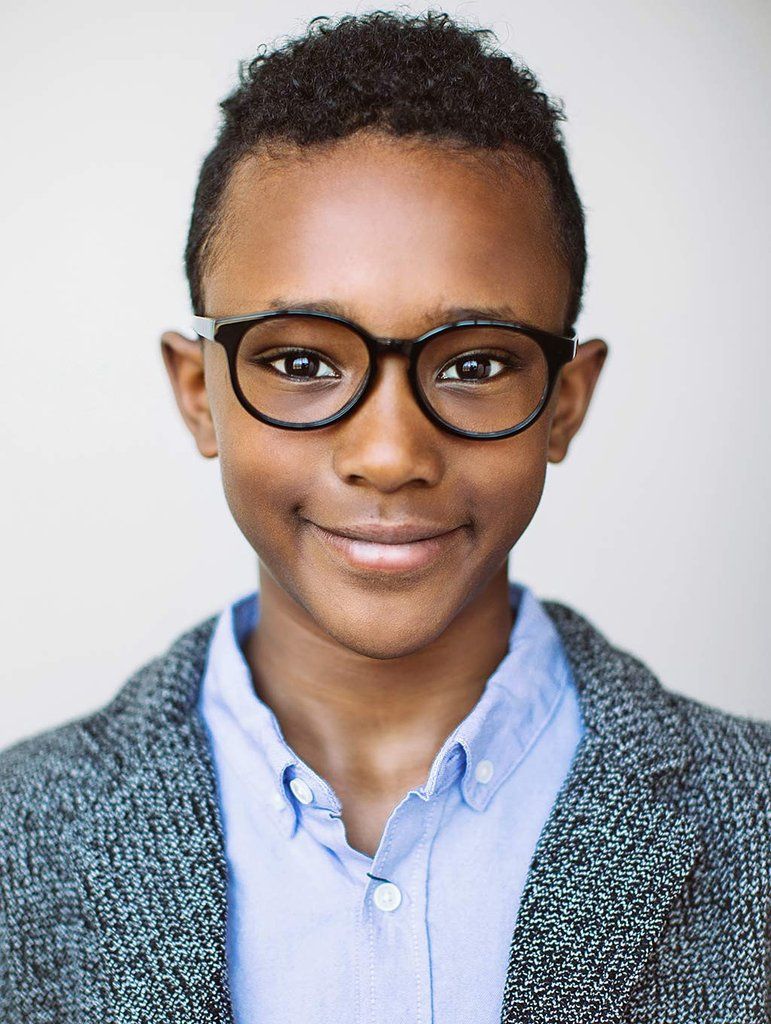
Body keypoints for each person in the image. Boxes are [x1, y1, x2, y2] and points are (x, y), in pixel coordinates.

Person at [1, 11, 768, 1023]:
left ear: (568, 402)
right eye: (302, 361)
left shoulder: (750, 814)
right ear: (200, 394)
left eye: (477, 363)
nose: (390, 454)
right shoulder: (23, 833)